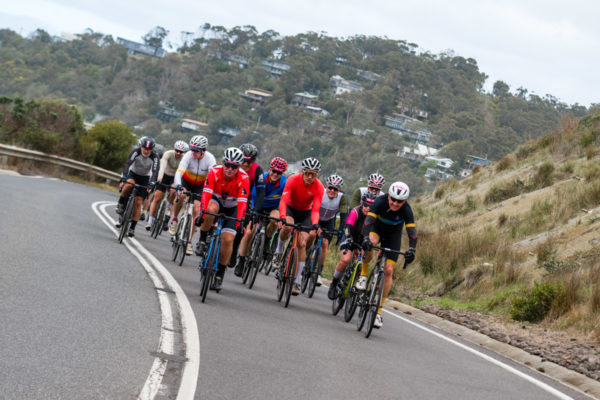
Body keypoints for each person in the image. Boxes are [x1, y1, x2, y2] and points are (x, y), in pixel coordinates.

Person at [359, 181, 417, 328]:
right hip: (377, 229)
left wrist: (412, 249)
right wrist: (365, 238)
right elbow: (368, 220)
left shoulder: (407, 210)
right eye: (393, 200)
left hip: (393, 236)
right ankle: (364, 275)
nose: (396, 204)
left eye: (400, 201)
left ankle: (378, 312)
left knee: (389, 270)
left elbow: (412, 232)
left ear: (405, 201)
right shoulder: (380, 201)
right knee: (370, 243)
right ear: (389, 196)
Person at [196, 147, 250, 291]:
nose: (230, 169)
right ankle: (202, 240)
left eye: (234, 166)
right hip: (216, 200)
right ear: (223, 162)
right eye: (227, 164)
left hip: (233, 207)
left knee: (228, 238)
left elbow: (242, 202)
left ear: (238, 167)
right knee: (211, 210)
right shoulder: (214, 172)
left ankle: (219, 274)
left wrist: (239, 221)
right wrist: (202, 212)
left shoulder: (244, 178)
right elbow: (206, 194)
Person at [274, 157, 324, 295]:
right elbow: (283, 201)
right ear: (302, 171)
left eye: (312, 174)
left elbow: (315, 210)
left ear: (316, 175)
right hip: (290, 208)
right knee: (288, 227)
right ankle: (278, 252)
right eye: (307, 173)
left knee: (302, 244)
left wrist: (314, 224)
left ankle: (297, 281)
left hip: (306, 213)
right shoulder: (292, 179)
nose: (309, 177)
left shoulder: (319, 187)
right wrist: (283, 217)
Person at [235, 157, 288, 275]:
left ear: (282, 173)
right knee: (249, 232)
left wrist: (283, 216)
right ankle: (242, 260)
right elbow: (254, 196)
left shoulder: (284, 183)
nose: (275, 174)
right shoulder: (262, 178)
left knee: (275, 219)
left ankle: (267, 241)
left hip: (273, 207)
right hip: (257, 204)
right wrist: (254, 211)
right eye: (273, 171)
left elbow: (285, 200)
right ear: (269, 169)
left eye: (278, 173)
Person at [171, 135, 217, 255]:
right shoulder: (188, 156)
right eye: (192, 149)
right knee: (180, 196)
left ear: (203, 151)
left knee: (197, 209)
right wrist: (178, 185)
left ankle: (189, 242)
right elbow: (179, 172)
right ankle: (175, 219)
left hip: (200, 185)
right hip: (187, 181)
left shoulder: (210, 159)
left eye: (196, 151)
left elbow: (213, 177)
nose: (193, 153)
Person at [327, 191, 376, 300]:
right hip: (350, 237)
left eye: (371, 206)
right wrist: (348, 236)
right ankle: (334, 284)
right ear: (362, 203)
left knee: (364, 261)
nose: (368, 208)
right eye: (366, 204)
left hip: (364, 242)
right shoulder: (356, 211)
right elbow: (348, 225)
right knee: (345, 260)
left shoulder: (375, 217)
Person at [231, 144, 265, 275]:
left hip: (245, 196)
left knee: (243, 226)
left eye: (249, 161)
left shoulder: (257, 170)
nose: (245, 164)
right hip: (229, 193)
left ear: (254, 160)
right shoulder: (231, 165)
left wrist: (256, 210)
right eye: (243, 160)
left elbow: (261, 192)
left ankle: (236, 254)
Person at [115, 137, 159, 237]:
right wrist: (124, 178)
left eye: (149, 149)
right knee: (129, 184)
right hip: (133, 174)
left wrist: (152, 183)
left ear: (152, 149)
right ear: (141, 146)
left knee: (139, 201)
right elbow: (127, 164)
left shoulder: (155, 157)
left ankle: (132, 228)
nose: (146, 151)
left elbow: (155, 171)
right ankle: (121, 204)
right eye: (144, 148)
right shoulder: (136, 152)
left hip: (145, 178)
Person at [311, 174, 348, 286]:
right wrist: (315, 224)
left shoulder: (342, 197)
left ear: (339, 189)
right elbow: (312, 207)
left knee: (325, 243)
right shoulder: (320, 192)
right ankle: (305, 256)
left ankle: (318, 273)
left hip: (328, 221)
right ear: (326, 186)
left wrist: (341, 229)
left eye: (335, 189)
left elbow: (344, 215)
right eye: (330, 188)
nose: (332, 191)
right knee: (311, 235)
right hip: (315, 216)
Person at [146, 140, 188, 231]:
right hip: (164, 175)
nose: (178, 153)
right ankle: (150, 220)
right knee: (157, 198)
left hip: (174, 178)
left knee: (173, 191)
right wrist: (160, 178)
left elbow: (183, 172)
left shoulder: (184, 158)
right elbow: (162, 167)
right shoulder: (168, 154)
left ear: (183, 152)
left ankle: (168, 206)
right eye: (177, 150)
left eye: (181, 152)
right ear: (174, 149)